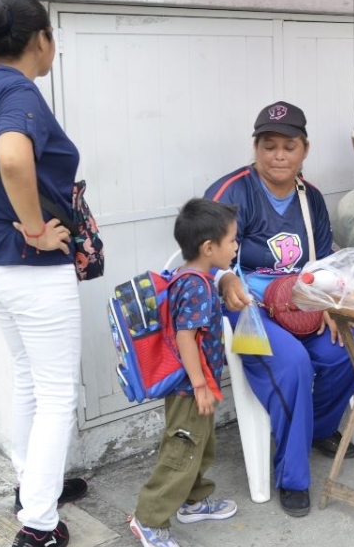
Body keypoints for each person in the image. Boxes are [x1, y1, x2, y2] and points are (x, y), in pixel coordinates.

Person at [0, 0, 88, 547]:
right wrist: (36, 229)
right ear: (42, 39)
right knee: (58, 393)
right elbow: (12, 159)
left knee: (30, 380)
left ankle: (31, 485)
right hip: (29, 268)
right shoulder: (18, 90)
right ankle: (37, 526)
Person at [204, 101, 354, 518]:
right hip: (245, 312)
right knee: (293, 363)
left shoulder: (309, 197)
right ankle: (293, 478)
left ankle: (313, 429)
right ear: (256, 147)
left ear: (304, 150)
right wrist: (225, 279)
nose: (279, 155)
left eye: (289, 146)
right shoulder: (231, 193)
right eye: (269, 145)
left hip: (300, 304)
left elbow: (321, 263)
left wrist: (329, 300)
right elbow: (202, 257)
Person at [129, 198, 240, 547]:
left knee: (200, 443)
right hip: (189, 387)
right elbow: (186, 338)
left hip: (196, 384)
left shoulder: (195, 277)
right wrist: (199, 385)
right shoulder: (197, 286)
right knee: (182, 450)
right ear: (209, 247)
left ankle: (193, 501)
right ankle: (149, 519)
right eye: (232, 241)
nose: (236, 246)